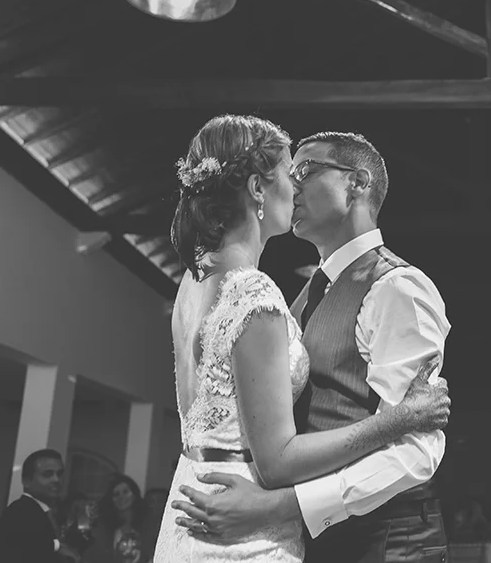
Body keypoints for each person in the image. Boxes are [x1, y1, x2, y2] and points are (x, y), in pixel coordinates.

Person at [153, 117, 451, 562]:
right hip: (266, 521)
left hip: (384, 541)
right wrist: (400, 418)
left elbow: (416, 451)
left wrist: (283, 506)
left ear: (357, 183)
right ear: (257, 188)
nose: (293, 186)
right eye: (289, 173)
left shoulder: (397, 287)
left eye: (306, 171)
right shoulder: (280, 293)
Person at [0, 449, 78, 562]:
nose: (56, 479)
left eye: (59, 474)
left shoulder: (45, 512)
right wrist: (57, 546)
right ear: (27, 482)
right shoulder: (20, 510)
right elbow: (25, 543)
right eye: (47, 474)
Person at [85, 474, 157, 562]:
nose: (121, 497)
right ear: (111, 500)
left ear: (134, 495)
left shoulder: (148, 524)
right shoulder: (107, 527)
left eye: (125, 492)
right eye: (116, 494)